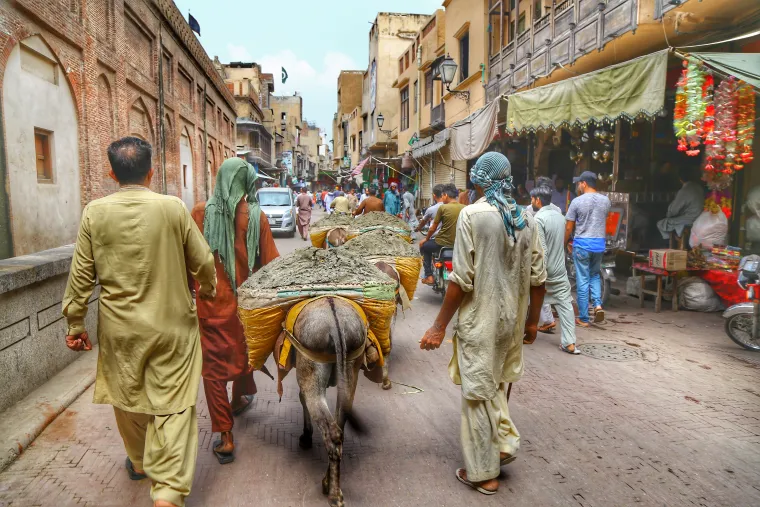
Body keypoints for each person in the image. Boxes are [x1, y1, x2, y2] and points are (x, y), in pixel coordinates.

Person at [62, 137, 217, 507]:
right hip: (173, 329)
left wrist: (75, 324)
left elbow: (81, 277)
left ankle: (139, 461)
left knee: (128, 396)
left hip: (119, 330)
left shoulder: (94, 213)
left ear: (111, 172)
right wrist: (208, 290)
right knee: (174, 406)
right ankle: (166, 492)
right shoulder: (173, 208)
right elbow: (204, 262)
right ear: (152, 171)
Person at [420, 151, 546, 496]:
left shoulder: (472, 216)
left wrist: (438, 326)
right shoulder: (526, 219)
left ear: (479, 180)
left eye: (475, 176)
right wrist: (532, 323)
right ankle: (503, 443)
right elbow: (539, 279)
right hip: (512, 322)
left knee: (477, 393)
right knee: (494, 383)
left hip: (481, 320)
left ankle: (483, 473)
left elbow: (461, 280)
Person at [191, 159, 279, 465]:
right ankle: (240, 396)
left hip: (211, 306)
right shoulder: (256, 216)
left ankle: (226, 437)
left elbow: (189, 261)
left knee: (213, 373)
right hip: (246, 308)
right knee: (244, 354)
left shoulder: (200, 213)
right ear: (248, 183)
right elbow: (271, 267)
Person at [527, 182, 579, 354]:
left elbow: (541, 250)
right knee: (565, 305)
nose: (531, 201)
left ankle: (520, 335)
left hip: (545, 270)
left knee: (524, 301)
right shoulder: (560, 217)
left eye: (532, 199)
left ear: (538, 200)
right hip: (560, 270)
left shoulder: (538, 219)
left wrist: (537, 274)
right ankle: (570, 343)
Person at [565, 171, 611, 327]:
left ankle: (584, 318)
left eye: (579, 183)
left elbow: (569, 226)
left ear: (584, 183)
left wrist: (564, 243)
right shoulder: (606, 201)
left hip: (582, 245)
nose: (578, 186)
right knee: (594, 276)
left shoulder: (576, 202)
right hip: (599, 245)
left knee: (582, 280)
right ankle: (598, 305)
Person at [419, 185, 464, 286]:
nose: (442, 198)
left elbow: (432, 228)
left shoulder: (443, 208)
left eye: (443, 196)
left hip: (441, 243)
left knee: (425, 248)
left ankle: (429, 276)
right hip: (458, 243)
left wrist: (426, 239)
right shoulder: (464, 208)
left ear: (446, 195)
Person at [657, 166, 704, 242]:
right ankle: (677, 239)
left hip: (690, 220)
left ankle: (670, 242)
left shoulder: (685, 190)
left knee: (661, 223)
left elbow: (674, 210)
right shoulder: (698, 187)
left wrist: (668, 215)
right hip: (699, 218)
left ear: (680, 179)